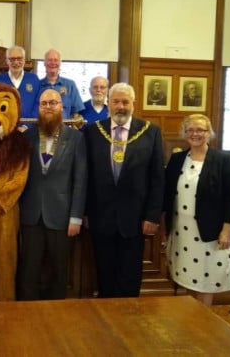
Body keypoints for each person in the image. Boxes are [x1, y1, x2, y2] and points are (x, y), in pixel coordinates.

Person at [84, 82, 164, 298]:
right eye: (116, 101)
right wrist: (86, 212)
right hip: (101, 217)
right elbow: (87, 176)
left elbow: (157, 177)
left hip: (136, 218)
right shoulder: (93, 131)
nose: (120, 106)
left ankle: (129, 315)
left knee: (130, 275)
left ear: (133, 104)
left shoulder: (150, 132)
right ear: (108, 103)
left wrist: (152, 216)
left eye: (125, 102)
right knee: (104, 274)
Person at [163, 114, 230, 306]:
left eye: (200, 130)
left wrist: (227, 229)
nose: (195, 134)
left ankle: (203, 318)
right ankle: (193, 317)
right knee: (189, 276)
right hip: (182, 231)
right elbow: (167, 193)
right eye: (190, 130)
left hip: (211, 233)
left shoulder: (223, 160)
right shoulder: (177, 159)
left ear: (209, 133)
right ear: (184, 133)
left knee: (207, 280)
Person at [18, 89, 87, 300]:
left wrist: (76, 217)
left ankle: (57, 313)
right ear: (38, 108)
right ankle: (27, 312)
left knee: (59, 271)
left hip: (62, 216)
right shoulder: (27, 137)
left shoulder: (76, 138)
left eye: (53, 103)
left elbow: (80, 180)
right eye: (44, 103)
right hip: (30, 216)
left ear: (62, 106)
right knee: (28, 271)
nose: (48, 107)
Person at [0, 46, 40, 131]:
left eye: (19, 58)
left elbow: (38, 105)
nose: (16, 62)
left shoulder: (34, 79)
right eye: (12, 59)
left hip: (29, 130)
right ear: (7, 61)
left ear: (24, 60)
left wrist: (26, 126)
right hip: (5, 130)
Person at [39, 49, 84, 120]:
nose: (53, 63)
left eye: (56, 60)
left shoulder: (70, 85)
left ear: (60, 63)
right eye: (50, 60)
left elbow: (76, 112)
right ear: (44, 63)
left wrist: (76, 120)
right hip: (42, 125)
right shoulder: (37, 85)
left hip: (65, 126)